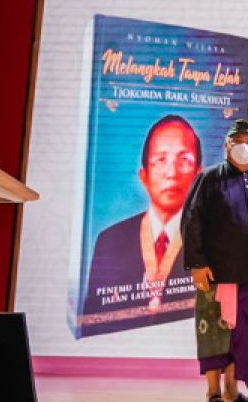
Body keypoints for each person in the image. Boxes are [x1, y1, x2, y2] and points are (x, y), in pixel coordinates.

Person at [181, 120, 248, 402]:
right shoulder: (209, 179)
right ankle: (213, 392)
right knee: (214, 332)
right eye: (237, 140)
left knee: (243, 334)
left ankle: (232, 392)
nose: (244, 145)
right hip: (216, 274)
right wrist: (197, 263)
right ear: (226, 146)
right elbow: (191, 221)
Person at [81, 114, 201, 336]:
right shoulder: (110, 241)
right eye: (161, 160)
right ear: (143, 175)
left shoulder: (213, 239)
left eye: (184, 160)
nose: (172, 173)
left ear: (199, 175)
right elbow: (93, 323)